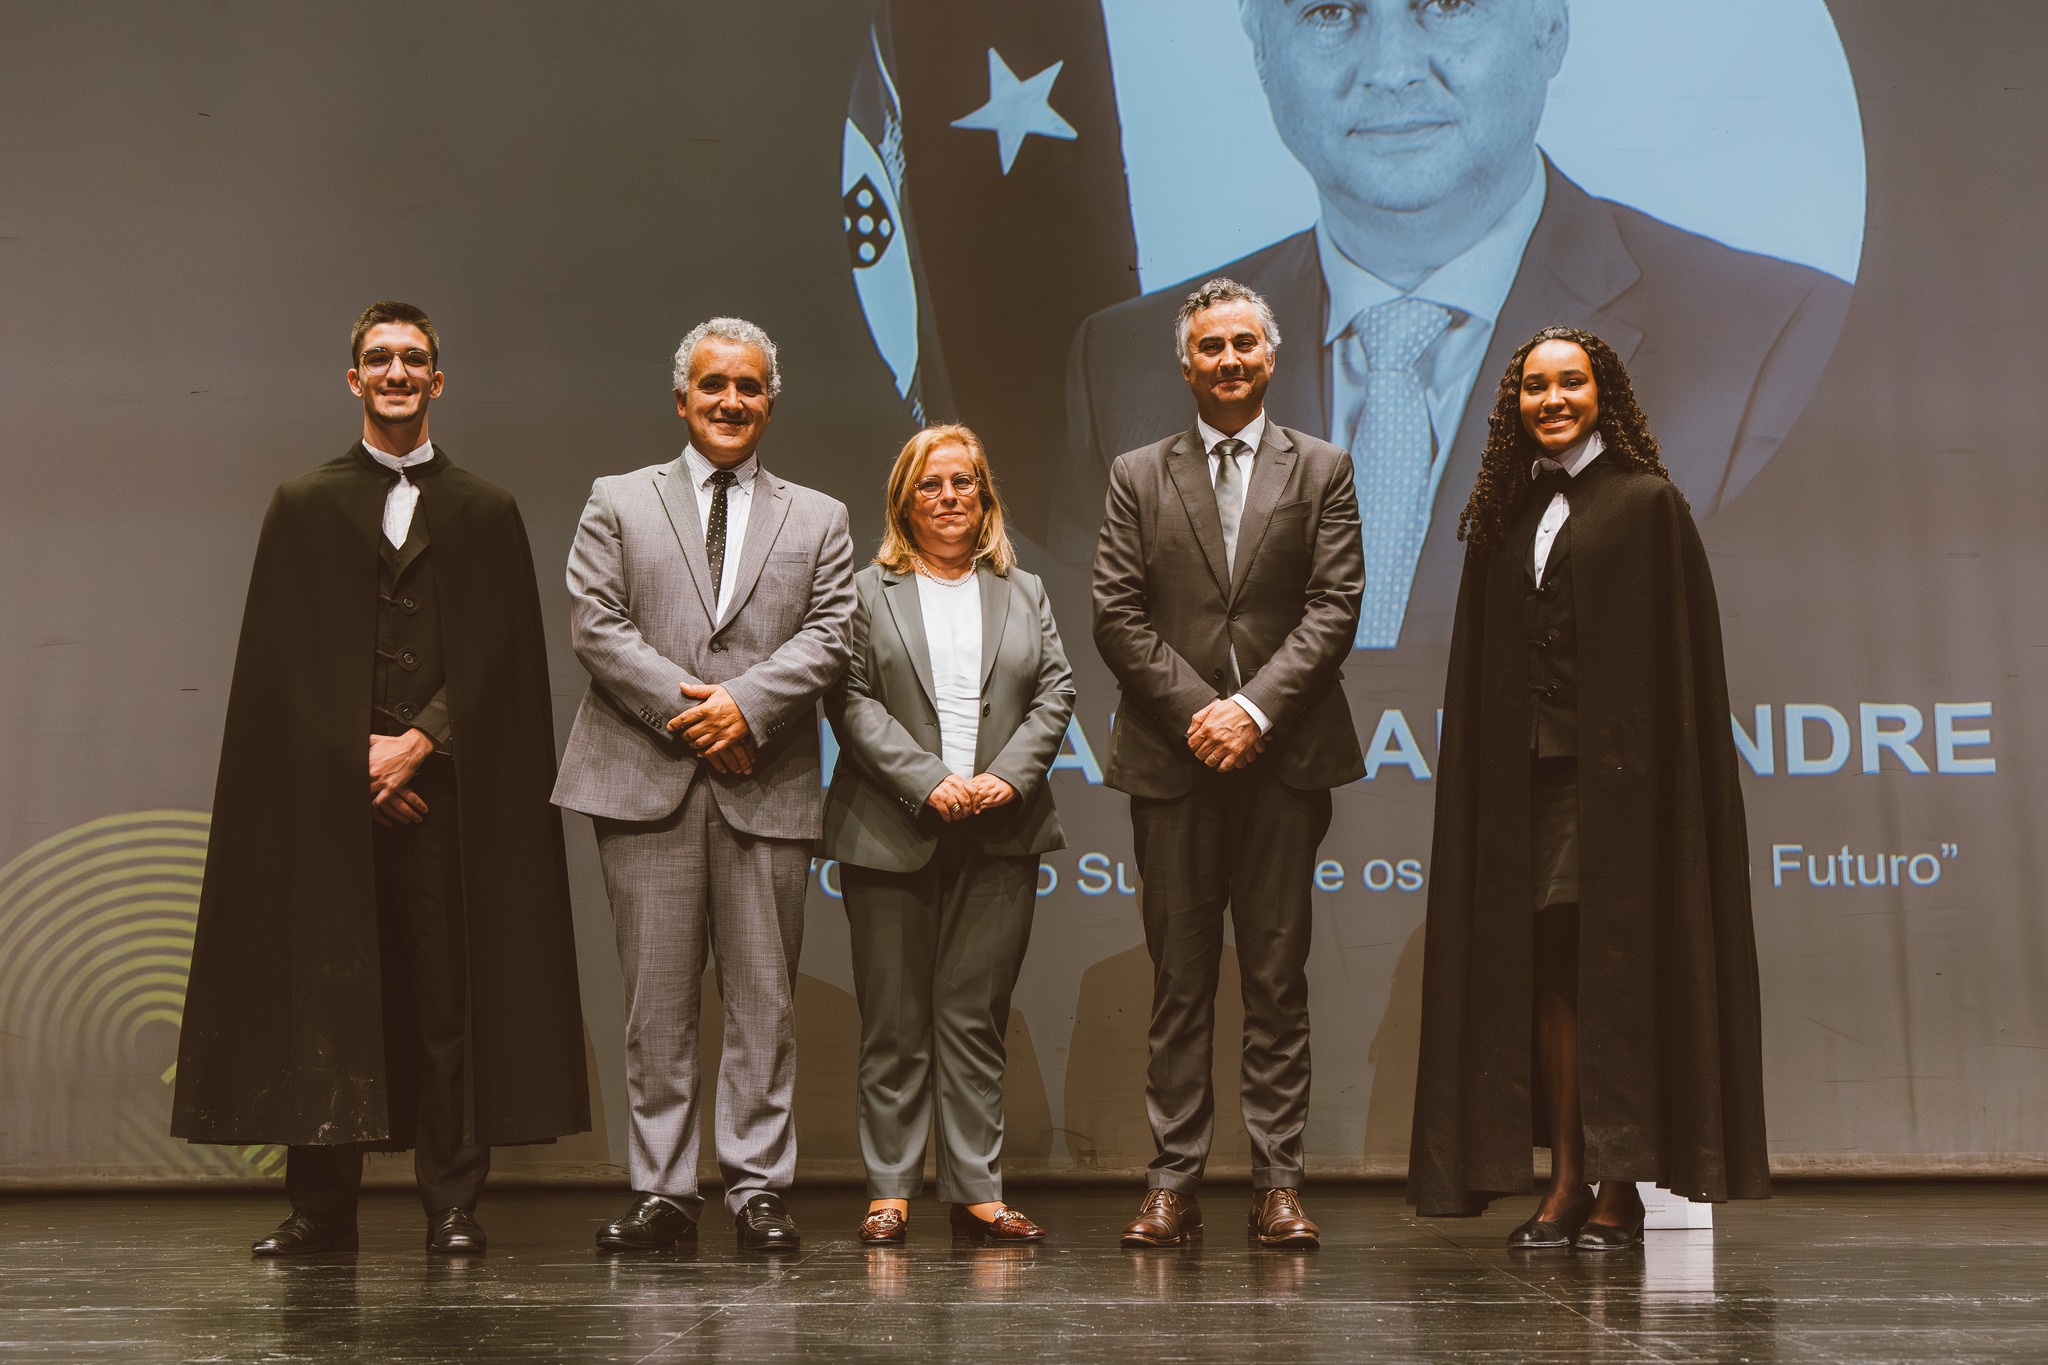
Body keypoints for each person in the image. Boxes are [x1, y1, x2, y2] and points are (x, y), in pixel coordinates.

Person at [1062, 0, 1851, 654]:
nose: (1391, 69)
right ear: (1260, 44)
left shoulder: (1768, 341)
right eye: (1330, 11)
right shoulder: (1126, 367)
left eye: (1446, 4)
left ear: (1550, 26)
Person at [172, 301, 590, 1257]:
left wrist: (419, 743)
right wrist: (355, 757)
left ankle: (453, 1204)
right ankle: (321, 1209)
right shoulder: (303, 504)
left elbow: (502, 659)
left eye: (413, 358)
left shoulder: (485, 510)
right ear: (354, 378)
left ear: (437, 379)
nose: (396, 372)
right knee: (325, 992)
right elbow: (280, 665)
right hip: (331, 802)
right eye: (378, 358)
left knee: (449, 1000)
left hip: (445, 797)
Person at [1407, 326, 1770, 1247]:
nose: (1553, 399)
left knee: (1598, 960)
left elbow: (1678, 669)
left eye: (1571, 382)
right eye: (1535, 387)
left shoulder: (1648, 505)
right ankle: (1567, 1178)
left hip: (1617, 787)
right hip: (1519, 784)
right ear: (1515, 404)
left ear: (1602, 392)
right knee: (1544, 966)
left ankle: (1617, 1184)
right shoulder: (1503, 514)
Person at [553, 317, 856, 1254]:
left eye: (749, 386)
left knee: (765, 1001)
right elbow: (596, 624)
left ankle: (757, 1187)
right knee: (657, 1004)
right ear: (682, 397)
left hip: (767, 781)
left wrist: (745, 708)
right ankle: (664, 1190)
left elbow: (833, 633)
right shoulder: (617, 499)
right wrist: (697, 715)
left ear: (771, 401)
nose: (731, 400)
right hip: (644, 778)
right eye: (714, 384)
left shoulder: (820, 516)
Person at [1091, 278, 1364, 1250]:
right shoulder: (1137, 474)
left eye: (1244, 343)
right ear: (1185, 364)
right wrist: (1202, 714)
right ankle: (1172, 1181)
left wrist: (1250, 711)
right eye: (1210, 347)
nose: (1229, 360)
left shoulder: (1323, 468)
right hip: (1173, 764)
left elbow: (1333, 607)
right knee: (1179, 980)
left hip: (1284, 759)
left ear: (1271, 355)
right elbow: (1115, 614)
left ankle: (1277, 1183)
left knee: (1278, 980)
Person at [822, 425, 1076, 1246]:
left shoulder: (1024, 590)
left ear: (985, 495)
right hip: (890, 829)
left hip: (1001, 830)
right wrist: (928, 780)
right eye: (930, 484)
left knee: (974, 1018)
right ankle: (890, 1191)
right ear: (904, 501)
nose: (948, 497)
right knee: (893, 1022)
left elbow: (1056, 690)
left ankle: (976, 1190)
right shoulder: (867, 591)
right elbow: (849, 697)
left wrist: (1008, 777)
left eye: (963, 481)